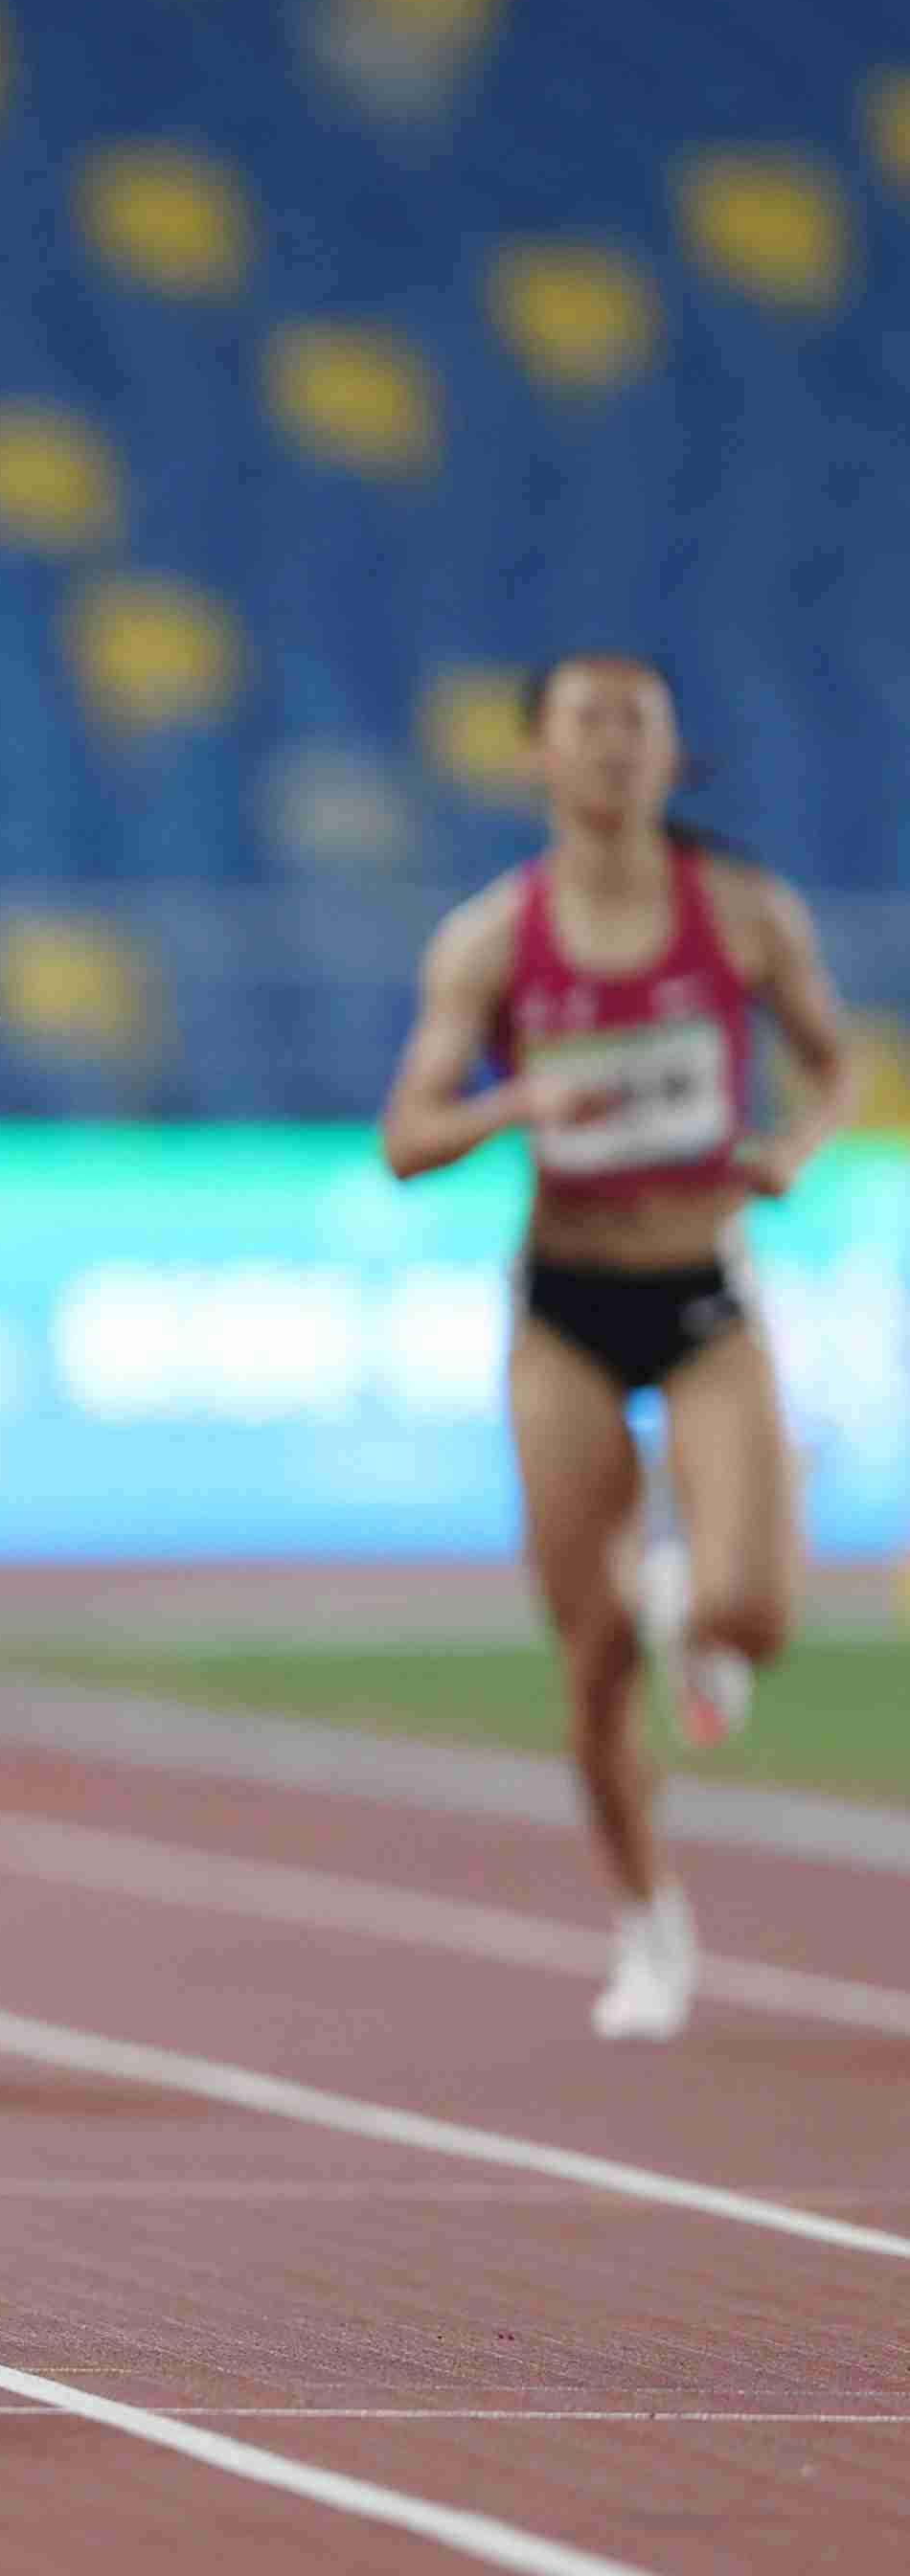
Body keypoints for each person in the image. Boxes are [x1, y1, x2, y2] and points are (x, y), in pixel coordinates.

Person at [375, 650, 859, 2041]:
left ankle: (701, 1600)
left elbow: (831, 1066)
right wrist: (518, 1100)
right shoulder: (489, 939)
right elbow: (404, 1138)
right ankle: (648, 1926)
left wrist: (789, 1149)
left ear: (667, 755)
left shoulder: (744, 914)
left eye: (634, 726)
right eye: (582, 726)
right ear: (533, 755)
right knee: (588, 1657)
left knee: (752, 1617)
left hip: (703, 1293)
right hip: (565, 1314)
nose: (609, 749)